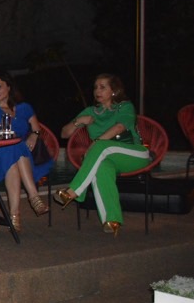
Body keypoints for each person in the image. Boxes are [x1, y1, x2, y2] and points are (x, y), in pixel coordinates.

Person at [56, 74, 149, 236]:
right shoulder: (91, 112)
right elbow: (64, 133)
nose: (97, 91)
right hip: (106, 156)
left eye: (102, 87)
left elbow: (119, 127)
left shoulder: (125, 107)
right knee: (101, 168)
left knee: (100, 147)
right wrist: (80, 121)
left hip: (134, 154)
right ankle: (112, 220)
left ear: (114, 90)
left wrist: (96, 143)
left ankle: (73, 191)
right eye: (95, 87)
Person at [0, 71, 52, 233]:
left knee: (15, 152)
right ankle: (34, 197)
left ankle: (14, 215)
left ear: (9, 87)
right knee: (15, 146)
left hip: (20, 151)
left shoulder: (24, 108)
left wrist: (33, 135)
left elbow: (37, 129)